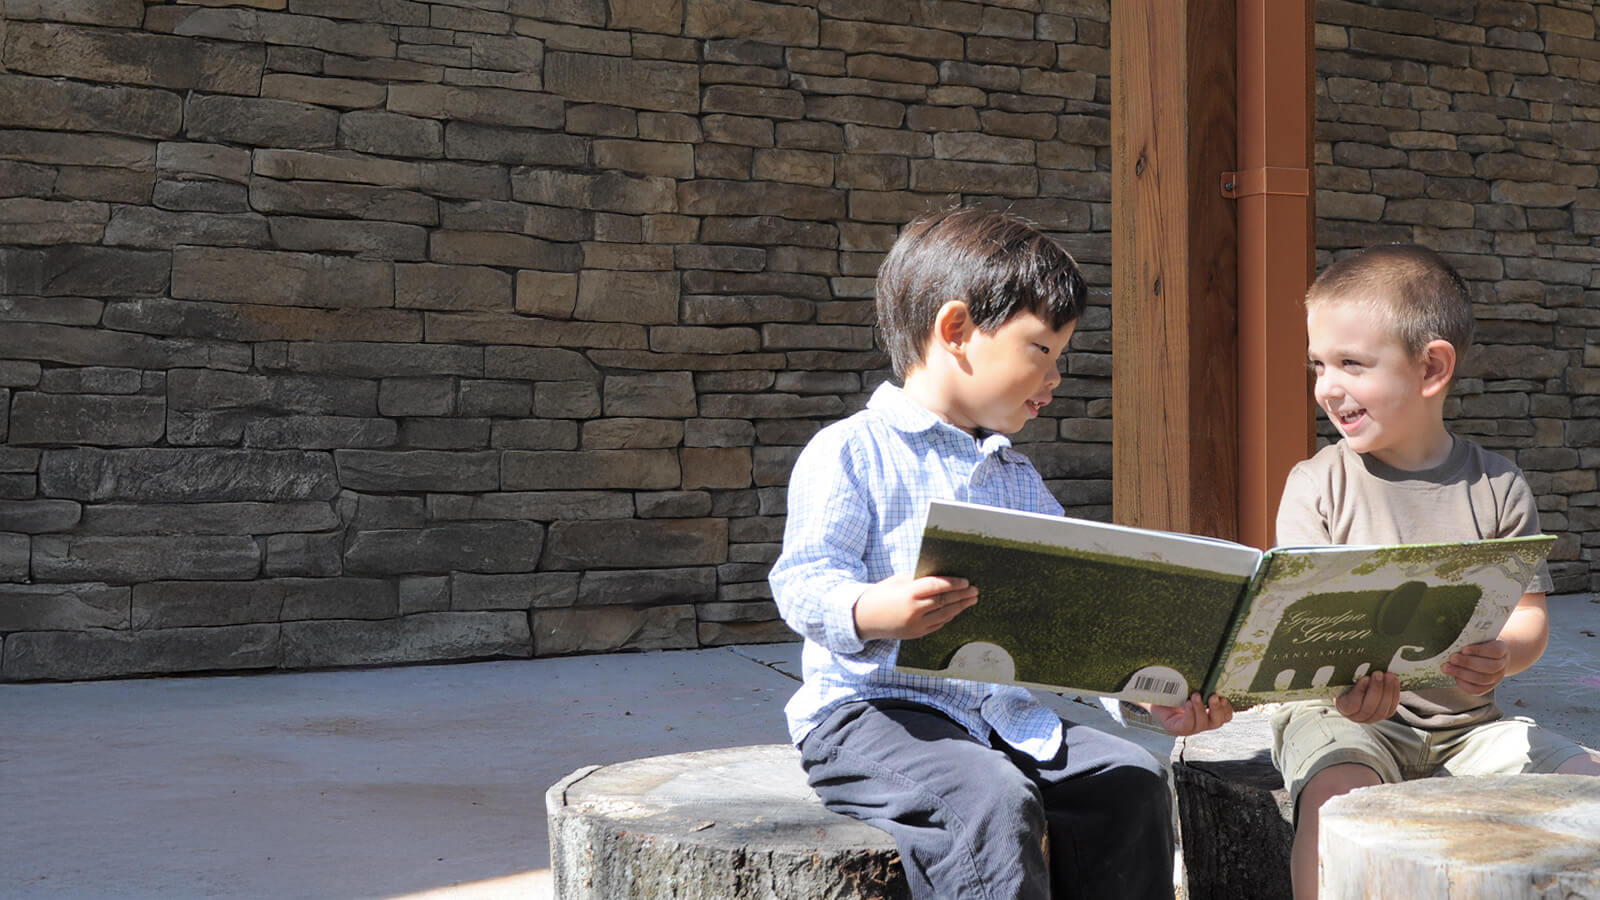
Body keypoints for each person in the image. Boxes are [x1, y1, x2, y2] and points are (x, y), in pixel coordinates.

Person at [769, 208, 1234, 900]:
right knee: (991, 803)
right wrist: (870, 608)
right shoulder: (850, 452)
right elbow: (803, 581)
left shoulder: (1018, 480)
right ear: (957, 331)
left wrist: (1147, 701)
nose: (1055, 377)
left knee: (1131, 782)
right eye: (1042, 350)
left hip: (1002, 718)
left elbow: (1073, 631)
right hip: (871, 717)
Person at [1271, 242, 1600, 899]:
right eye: (1318, 365)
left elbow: (1529, 616)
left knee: (1585, 782)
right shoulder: (1317, 485)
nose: (1327, 387)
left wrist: (1504, 654)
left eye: (1351, 364)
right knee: (1338, 800)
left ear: (1431, 369)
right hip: (1343, 719)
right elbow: (1295, 625)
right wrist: (1338, 686)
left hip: (1467, 730)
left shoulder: (1497, 486)